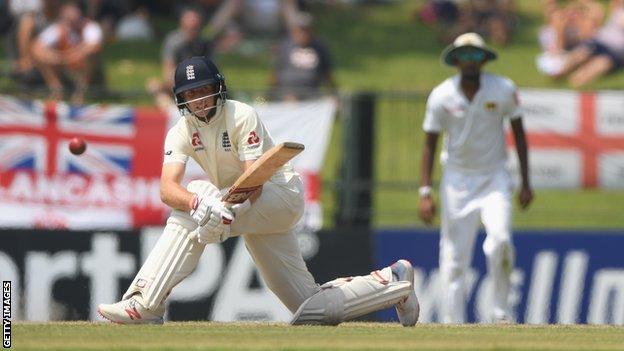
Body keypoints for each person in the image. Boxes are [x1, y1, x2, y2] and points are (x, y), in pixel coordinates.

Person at [97, 56, 419, 326]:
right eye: (191, 93)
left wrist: (225, 210)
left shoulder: (241, 115)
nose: (200, 100)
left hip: (278, 195)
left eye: (205, 90)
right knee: (310, 309)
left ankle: (145, 303)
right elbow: (167, 189)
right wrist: (201, 205)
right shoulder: (181, 131)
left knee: (198, 196)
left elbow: (257, 175)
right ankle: (394, 281)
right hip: (242, 205)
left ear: (218, 88)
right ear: (181, 97)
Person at [418, 33, 533, 323]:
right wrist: (424, 191)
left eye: (475, 55)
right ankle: (451, 322)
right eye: (464, 55)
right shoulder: (442, 95)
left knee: (501, 241)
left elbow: (519, 134)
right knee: (454, 257)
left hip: (495, 179)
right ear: (456, 60)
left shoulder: (503, 88)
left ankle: (500, 313)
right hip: (457, 181)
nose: (470, 61)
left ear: (484, 58)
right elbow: (430, 143)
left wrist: (526, 182)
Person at [30, 1, 103, 104]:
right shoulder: (58, 28)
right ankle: (56, 89)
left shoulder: (90, 26)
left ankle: (81, 93)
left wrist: (72, 55)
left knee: (91, 56)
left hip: (83, 67)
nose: (70, 13)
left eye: (73, 10)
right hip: (63, 65)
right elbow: (36, 47)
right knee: (40, 55)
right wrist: (55, 57)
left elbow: (94, 47)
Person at [553, 0, 624, 87]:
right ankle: (557, 75)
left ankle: (573, 85)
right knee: (579, 55)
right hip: (599, 42)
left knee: (593, 68)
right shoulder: (618, 9)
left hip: (615, 52)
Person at [270, 13, 337, 101]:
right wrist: (266, 96)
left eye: (306, 30)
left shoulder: (320, 47)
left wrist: (335, 94)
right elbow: (276, 72)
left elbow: (327, 73)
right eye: (300, 30)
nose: (303, 34)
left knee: (329, 102)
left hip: (312, 92)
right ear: (294, 31)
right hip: (288, 92)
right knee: (291, 101)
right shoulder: (285, 46)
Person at [160, 5, 214, 90]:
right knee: (154, 87)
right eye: (188, 27)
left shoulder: (206, 43)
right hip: (179, 82)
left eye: (195, 27)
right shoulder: (173, 42)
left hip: (201, 84)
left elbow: (213, 70)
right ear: (181, 25)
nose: (191, 31)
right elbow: (168, 72)